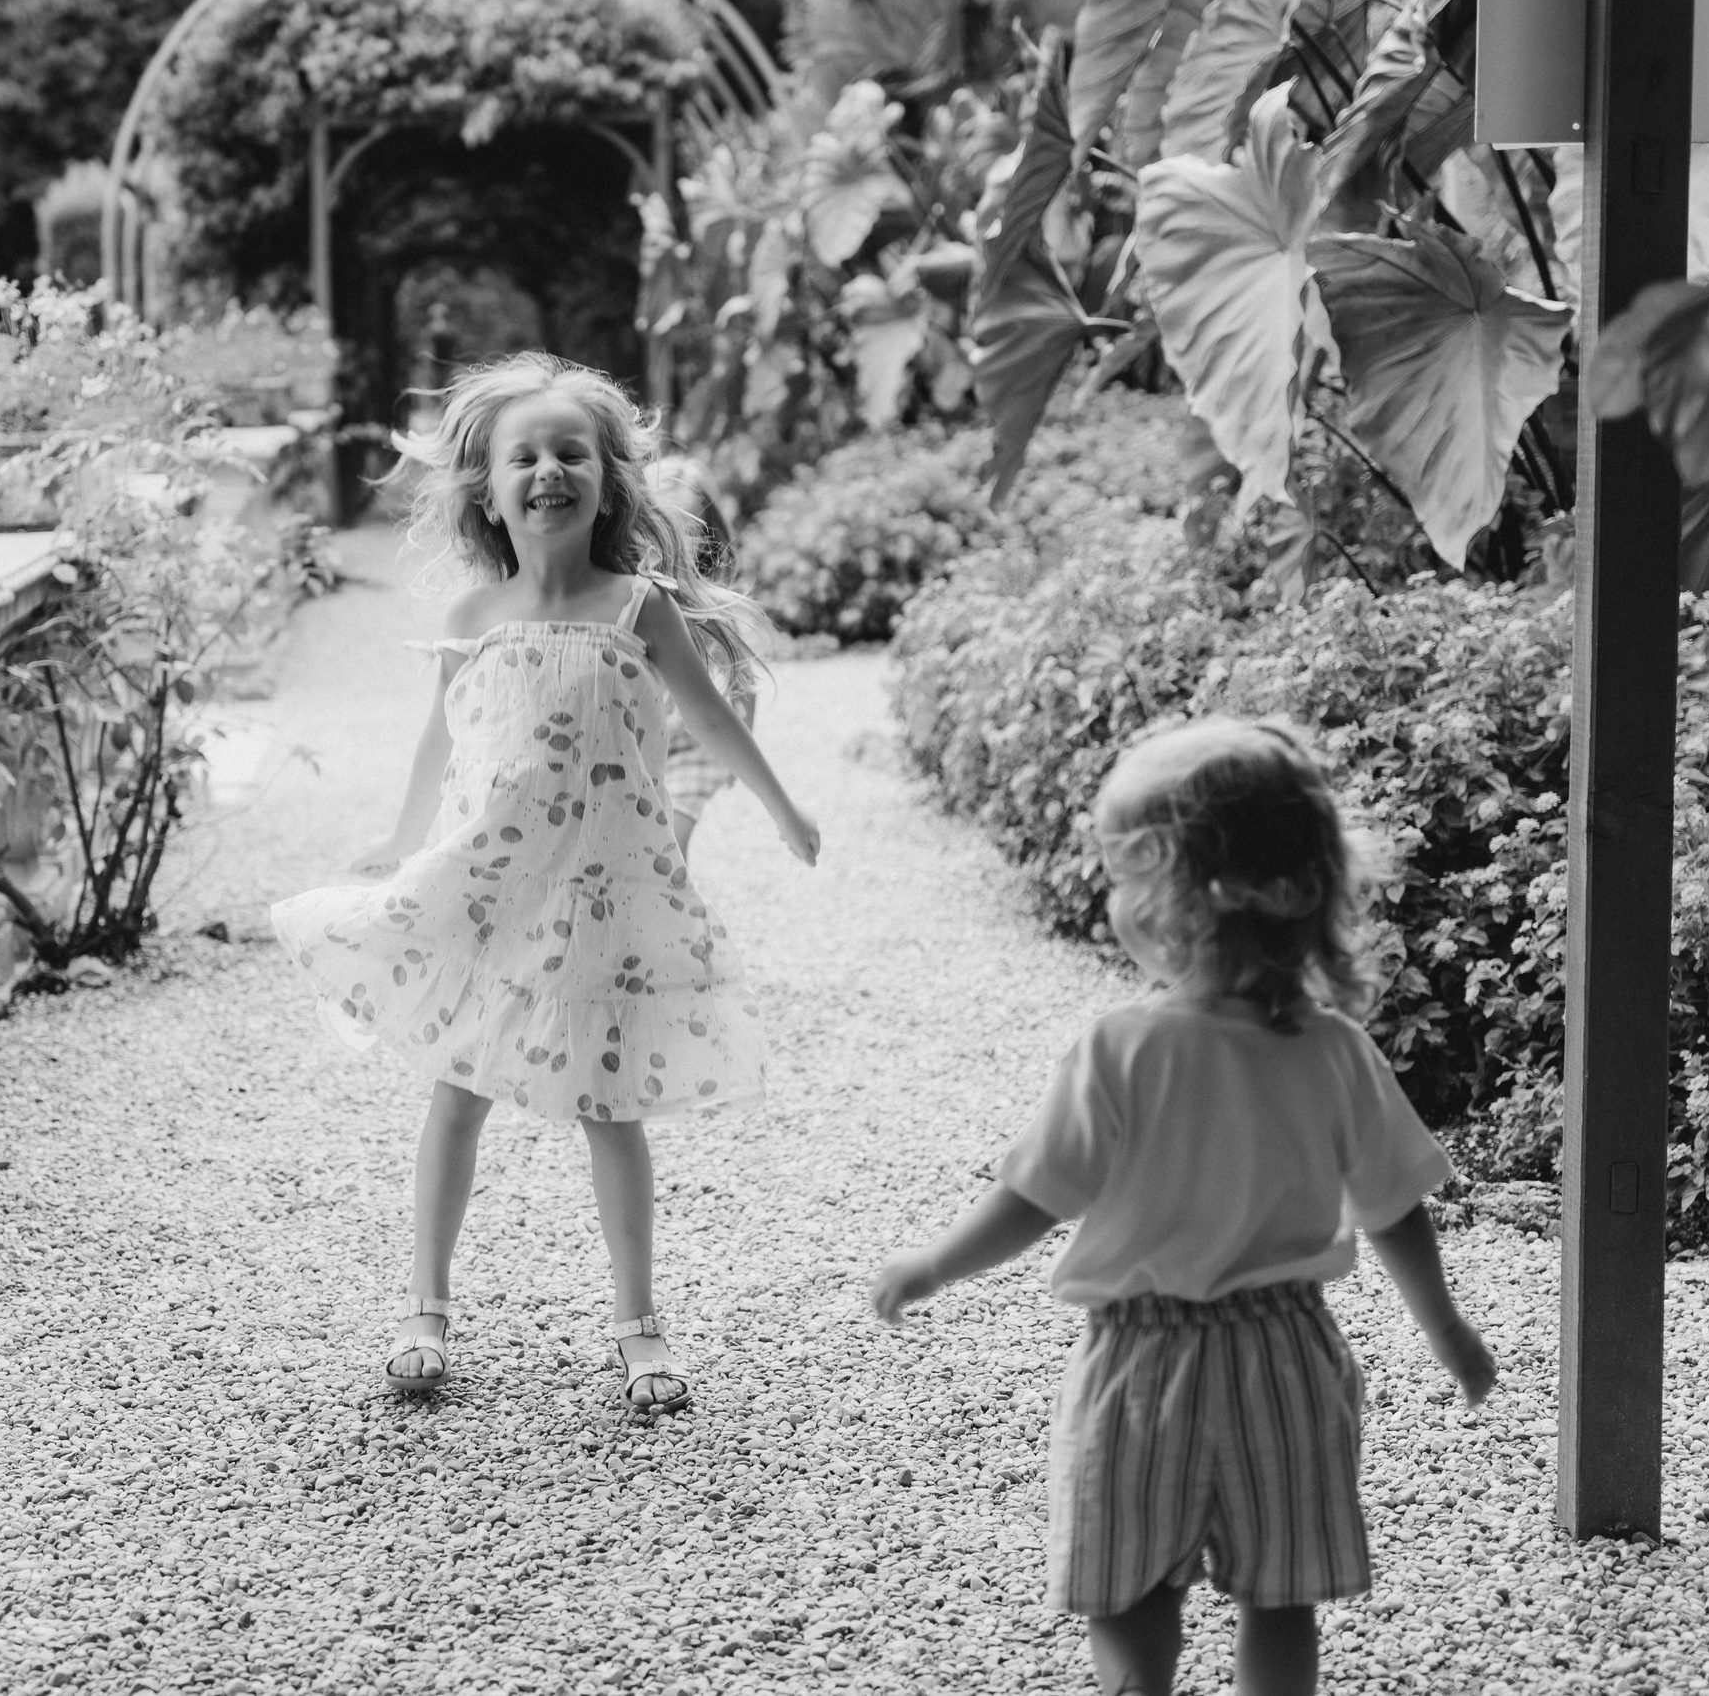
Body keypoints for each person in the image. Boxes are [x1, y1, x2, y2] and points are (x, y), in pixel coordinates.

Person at [868, 716, 1497, 1696]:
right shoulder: (1331, 1051)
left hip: (1141, 1361)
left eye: (1124, 877)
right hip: (1285, 1357)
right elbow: (1393, 1208)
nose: (1113, 899)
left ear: (1188, 898)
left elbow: (1034, 1198)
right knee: (1279, 1592)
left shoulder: (1122, 1050)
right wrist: (1446, 1328)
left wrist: (934, 1263)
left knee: (1129, 1583)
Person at [271, 353, 822, 1412]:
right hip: (496, 888)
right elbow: (442, 740)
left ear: (610, 479)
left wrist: (782, 806)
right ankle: (424, 1311)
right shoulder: (475, 617)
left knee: (611, 1109)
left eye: (571, 452)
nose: (548, 471)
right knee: (458, 1095)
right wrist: (397, 839)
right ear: (487, 487)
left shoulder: (637, 607)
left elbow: (708, 717)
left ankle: (638, 1327)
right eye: (523, 456)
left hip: (603, 898)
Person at [644, 454, 757, 857]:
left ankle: (678, 913)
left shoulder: (718, 606)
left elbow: (744, 681)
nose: (680, 554)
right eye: (663, 536)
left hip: (697, 749)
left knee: (673, 843)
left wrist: (743, 750)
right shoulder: (635, 602)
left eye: (693, 540)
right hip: (643, 746)